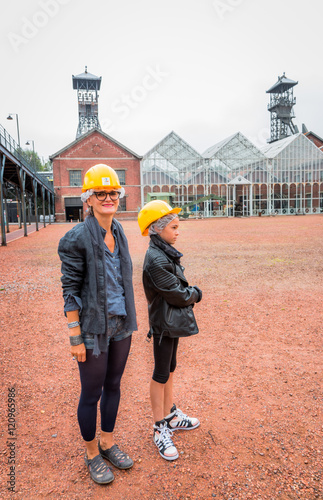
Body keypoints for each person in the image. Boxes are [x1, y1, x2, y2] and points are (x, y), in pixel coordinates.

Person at [58, 164, 137, 484]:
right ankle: (91, 452)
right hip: (92, 329)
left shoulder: (119, 231)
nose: (108, 198)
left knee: (114, 386)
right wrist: (75, 337)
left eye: (113, 193)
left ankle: (107, 441)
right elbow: (69, 289)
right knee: (91, 392)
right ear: (88, 199)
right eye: (100, 193)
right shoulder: (75, 238)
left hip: (121, 325)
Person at [138, 200, 202, 461]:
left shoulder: (163, 251)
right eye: (173, 227)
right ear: (158, 228)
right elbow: (176, 294)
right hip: (164, 324)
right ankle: (159, 427)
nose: (178, 232)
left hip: (170, 322)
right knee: (161, 372)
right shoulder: (155, 259)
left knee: (170, 369)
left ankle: (171, 415)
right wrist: (196, 293)